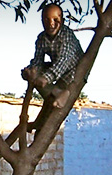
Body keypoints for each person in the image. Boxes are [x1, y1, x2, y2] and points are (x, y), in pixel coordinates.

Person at [21, 3, 84, 133]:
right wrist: (31, 70)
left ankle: (61, 93)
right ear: (42, 21)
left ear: (63, 20)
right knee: (48, 96)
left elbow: (63, 61)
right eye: (47, 20)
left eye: (56, 20)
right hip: (57, 69)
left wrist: (46, 78)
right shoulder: (41, 38)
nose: (51, 24)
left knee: (50, 97)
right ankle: (39, 123)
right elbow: (38, 60)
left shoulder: (66, 35)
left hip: (73, 70)